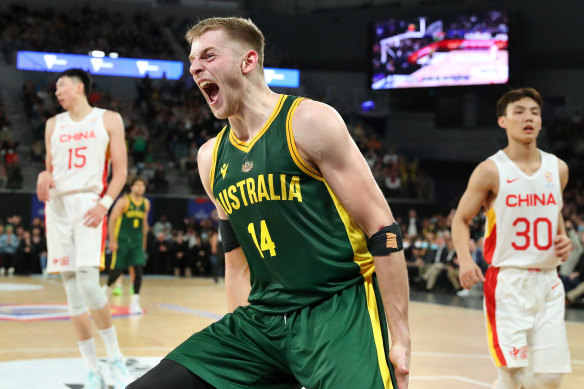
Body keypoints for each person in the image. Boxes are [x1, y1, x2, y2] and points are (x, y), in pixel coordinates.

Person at [128, 16, 410, 389]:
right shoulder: (210, 158)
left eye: (208, 56)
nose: (195, 67)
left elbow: (382, 229)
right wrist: (243, 350)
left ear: (248, 61)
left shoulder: (309, 121)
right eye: (193, 61)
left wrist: (400, 335)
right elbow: (236, 260)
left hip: (338, 308)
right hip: (261, 319)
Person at [452, 87, 572, 389]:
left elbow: (553, 212)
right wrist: (465, 261)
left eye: (534, 112)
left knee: (549, 379)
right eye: (518, 111)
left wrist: (563, 238)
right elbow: (460, 220)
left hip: (549, 282)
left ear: (541, 122)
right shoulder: (490, 170)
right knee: (514, 375)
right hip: (508, 282)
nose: (528, 117)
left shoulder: (557, 169)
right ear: (502, 121)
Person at [35, 68, 133, 389]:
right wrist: (42, 176)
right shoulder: (53, 124)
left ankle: (115, 358)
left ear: (79, 87)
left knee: (90, 285)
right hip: (58, 207)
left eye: (61, 86)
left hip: (89, 204)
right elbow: (50, 168)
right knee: (73, 295)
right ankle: (92, 369)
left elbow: (120, 172)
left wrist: (104, 205)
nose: (57, 93)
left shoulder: (109, 119)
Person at [105, 176, 150, 315]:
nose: (140, 188)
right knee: (117, 271)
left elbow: (144, 224)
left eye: (142, 185)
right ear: (132, 187)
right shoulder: (123, 201)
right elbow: (112, 220)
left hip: (136, 242)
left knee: (138, 271)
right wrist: (112, 240)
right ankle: (103, 291)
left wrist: (144, 243)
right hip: (123, 241)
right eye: (137, 185)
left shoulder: (146, 203)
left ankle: (134, 304)